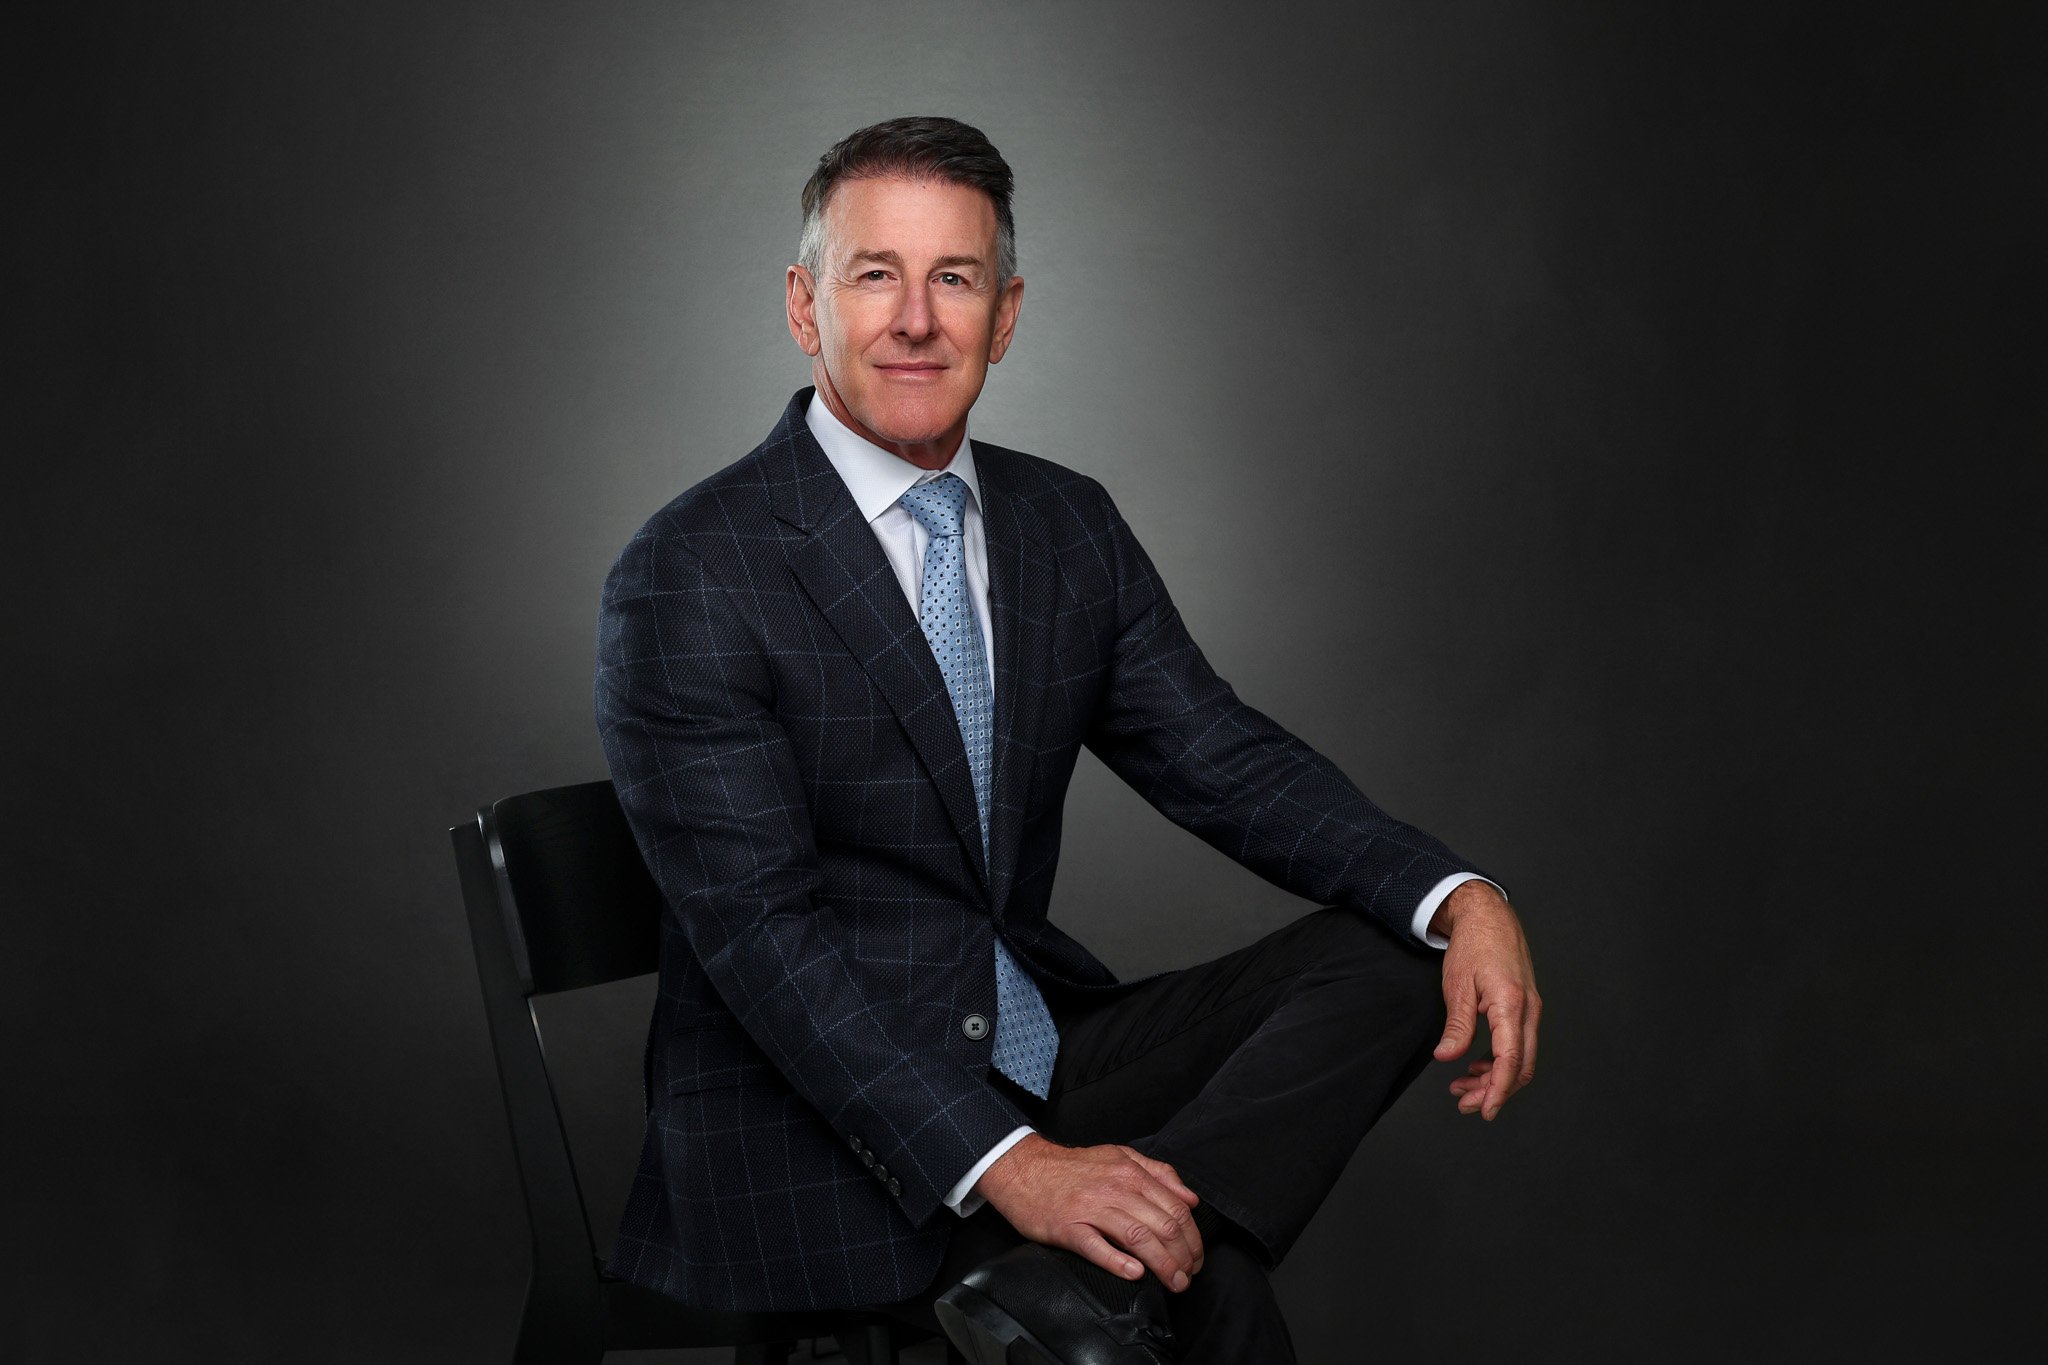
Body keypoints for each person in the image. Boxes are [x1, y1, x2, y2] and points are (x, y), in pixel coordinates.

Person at [596, 116, 1541, 1364]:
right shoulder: (692, 570)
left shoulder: (1062, 525)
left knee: (1387, 954)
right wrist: (1013, 1170)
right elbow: (765, 949)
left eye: (955, 277)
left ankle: (1112, 1276)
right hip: (805, 1125)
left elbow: (1220, 758)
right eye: (874, 274)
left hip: (1025, 1049)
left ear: (1008, 312)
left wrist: (1460, 892)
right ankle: (1125, 1282)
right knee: (1216, 1304)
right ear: (803, 305)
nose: (915, 319)